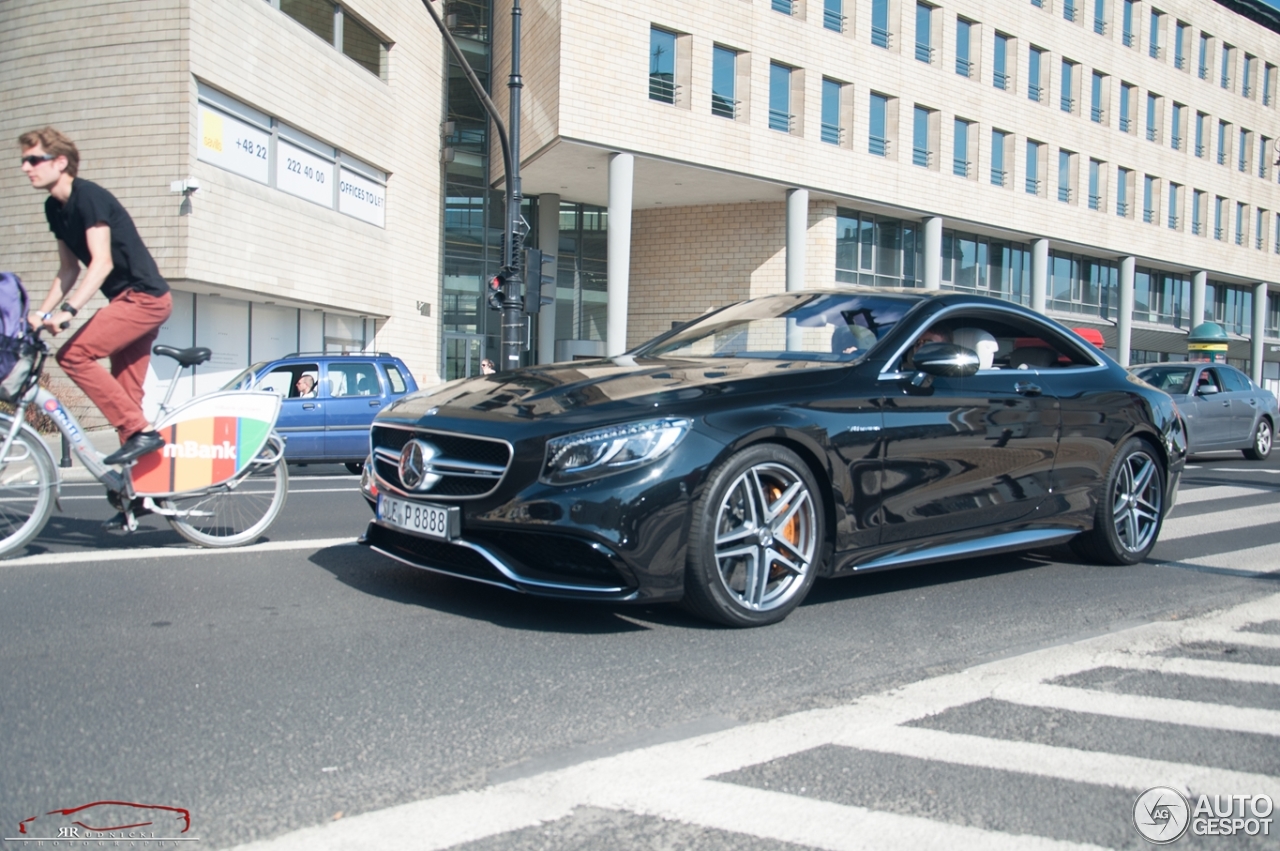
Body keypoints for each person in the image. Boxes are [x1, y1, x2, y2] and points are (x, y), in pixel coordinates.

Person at [19, 127, 172, 466]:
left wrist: (68, 311)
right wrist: (41, 315)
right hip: (129, 301)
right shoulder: (54, 209)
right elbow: (68, 269)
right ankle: (141, 494)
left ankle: (142, 434)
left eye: (33, 159)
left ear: (60, 162)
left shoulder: (87, 197)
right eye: (23, 161)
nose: (26, 167)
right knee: (126, 398)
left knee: (74, 356)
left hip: (144, 298)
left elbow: (100, 263)